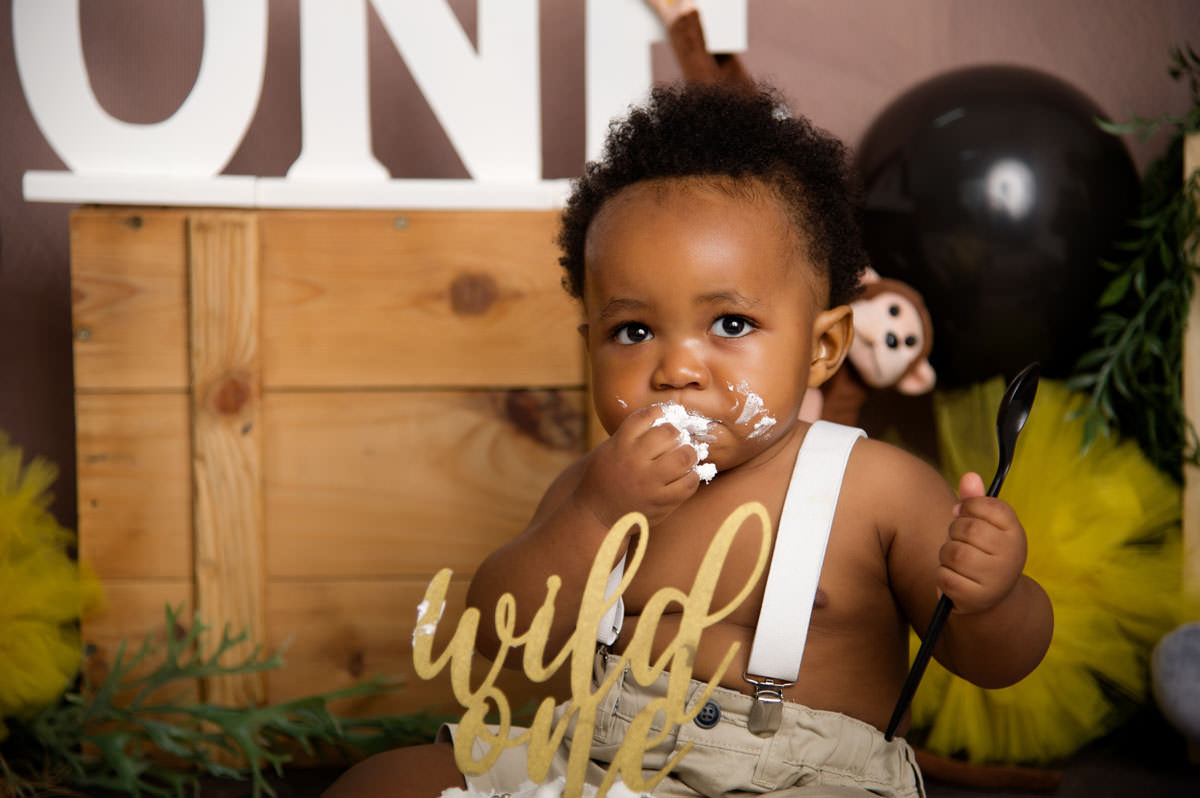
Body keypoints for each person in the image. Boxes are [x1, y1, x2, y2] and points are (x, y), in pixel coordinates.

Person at [324, 82, 1053, 798]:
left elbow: (993, 664)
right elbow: (502, 637)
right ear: (591, 348)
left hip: (799, 780)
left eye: (730, 324)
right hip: (604, 757)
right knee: (385, 781)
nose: (674, 368)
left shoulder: (878, 489)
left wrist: (993, 598)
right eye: (632, 331)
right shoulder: (593, 488)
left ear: (825, 346)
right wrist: (595, 518)